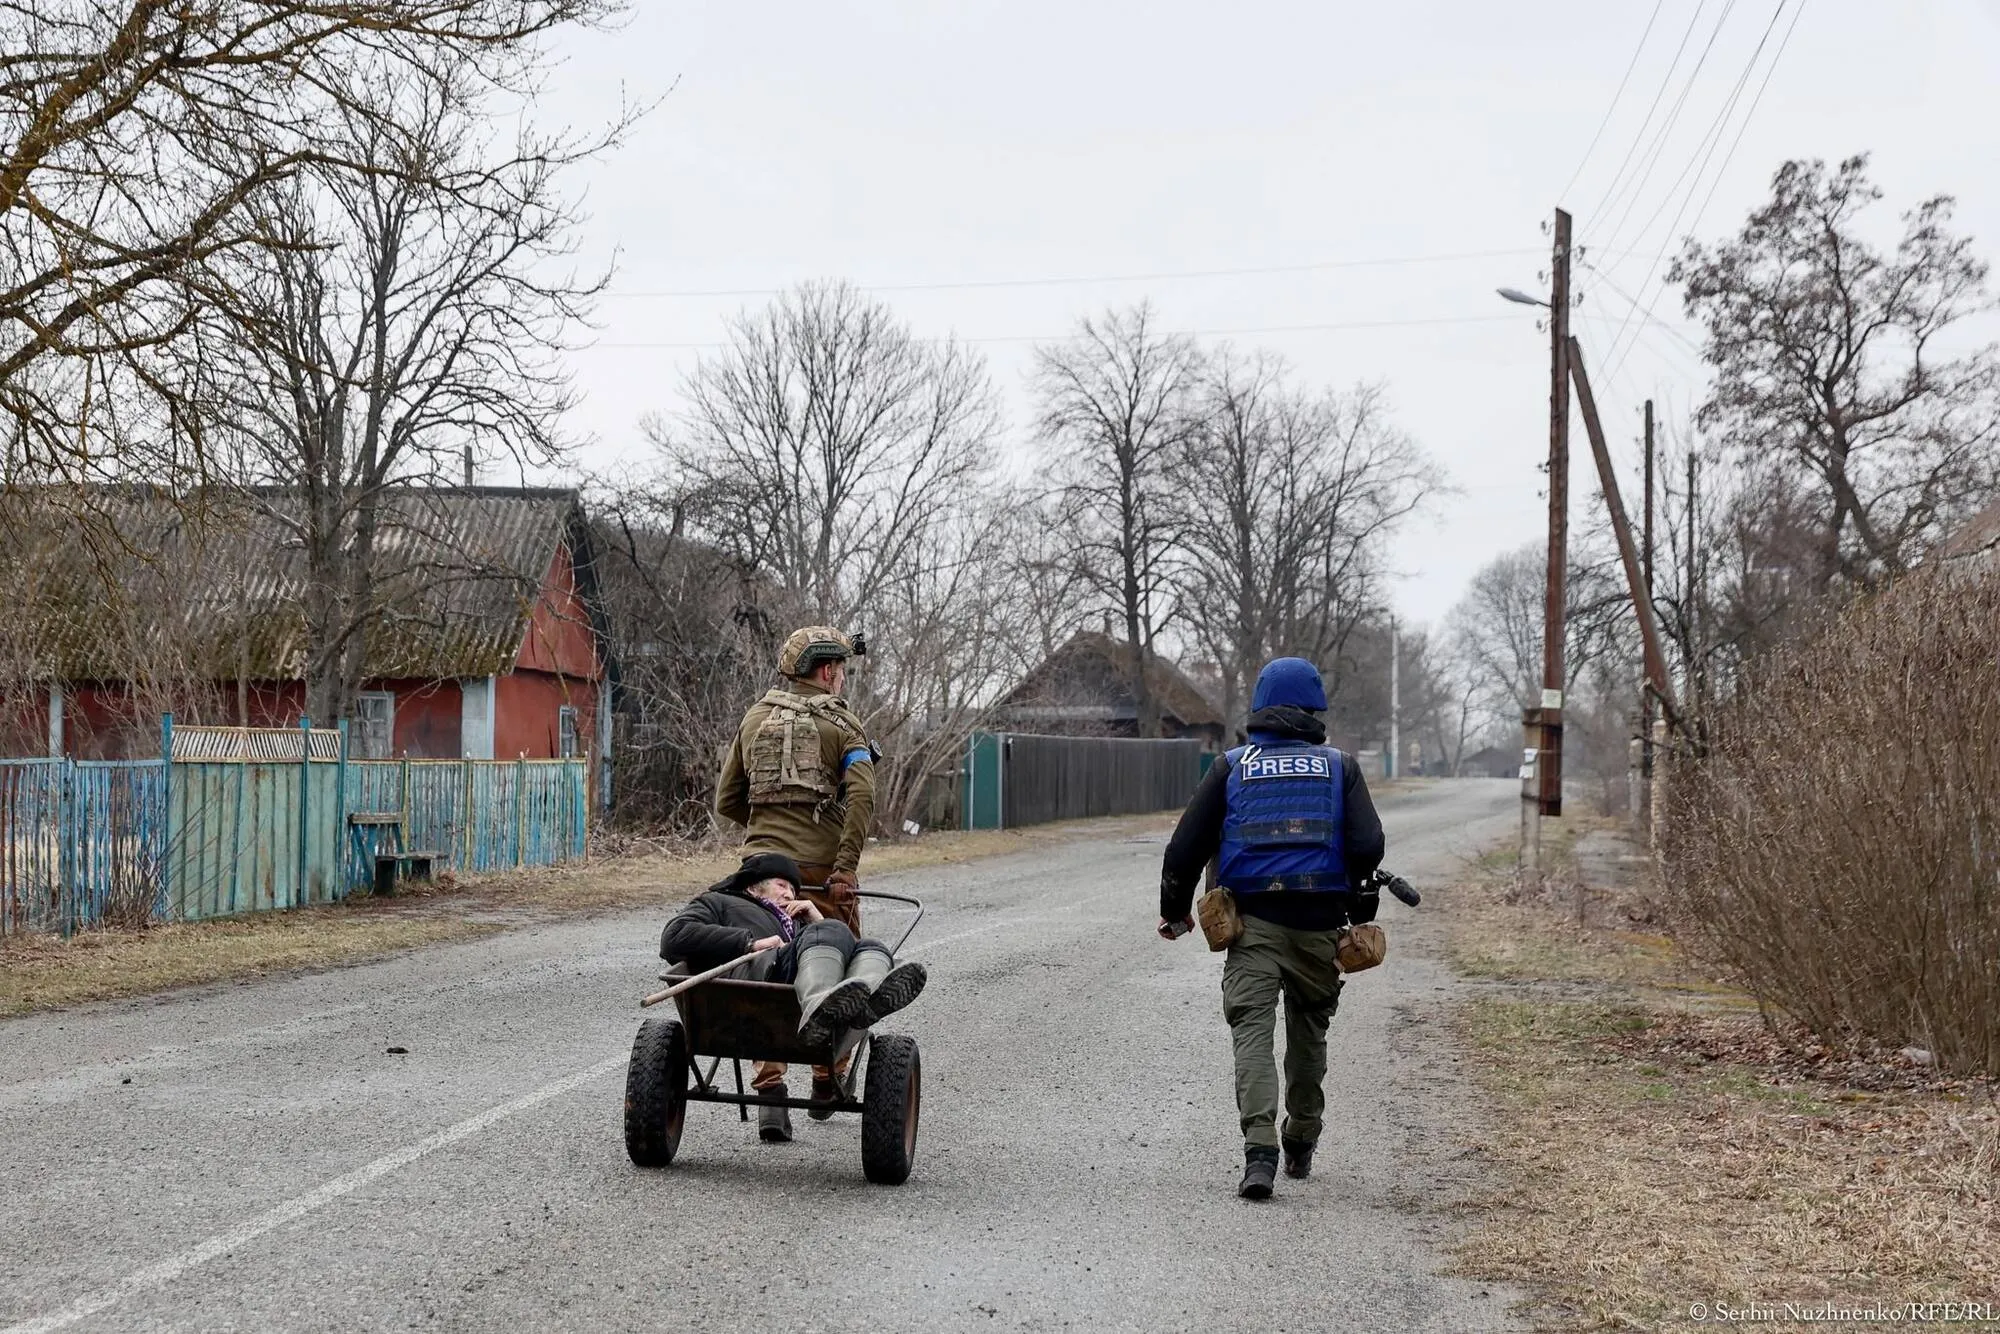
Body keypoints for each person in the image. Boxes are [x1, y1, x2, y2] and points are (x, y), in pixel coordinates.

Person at [1157, 657, 1386, 1200]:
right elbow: (1368, 846)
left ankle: (1259, 1154)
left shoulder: (1231, 766)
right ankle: (1300, 1140)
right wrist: (1358, 905)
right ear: (1315, 710)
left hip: (1251, 925)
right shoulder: (1340, 767)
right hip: (1319, 931)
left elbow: (1184, 848)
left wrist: (1175, 910)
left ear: (1260, 707)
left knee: (1252, 1035)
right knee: (1309, 1035)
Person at [714, 632, 879, 1117]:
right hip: (821, 876)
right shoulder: (842, 723)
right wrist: (844, 866)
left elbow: (727, 800)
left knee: (766, 970)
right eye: (842, 669)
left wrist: (767, 843)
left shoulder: (754, 718)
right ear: (827, 672)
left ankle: (769, 1091)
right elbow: (863, 797)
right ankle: (827, 1077)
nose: (842, 677)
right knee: (840, 968)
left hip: (756, 874)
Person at [660, 853, 926, 1142]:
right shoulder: (719, 902)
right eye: (781, 885)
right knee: (833, 929)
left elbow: (827, 943)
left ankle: (866, 1000)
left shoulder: (796, 922)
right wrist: (749, 943)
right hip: (756, 980)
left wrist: (814, 920)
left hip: (794, 980)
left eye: (793, 890)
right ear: (752, 887)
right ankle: (821, 1007)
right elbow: (673, 937)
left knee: (869, 945)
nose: (789, 894)